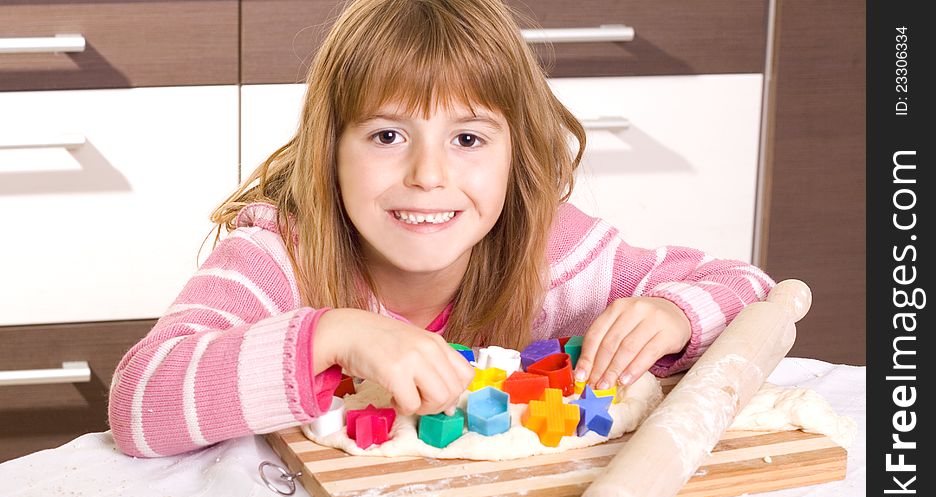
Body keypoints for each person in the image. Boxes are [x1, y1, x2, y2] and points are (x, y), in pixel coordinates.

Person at [108, 0, 775, 458]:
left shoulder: (556, 253)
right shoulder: (276, 261)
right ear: (329, 150)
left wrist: (673, 314)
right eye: (388, 134)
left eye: (467, 137)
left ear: (516, 154)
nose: (429, 174)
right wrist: (335, 334)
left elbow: (749, 290)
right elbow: (140, 403)